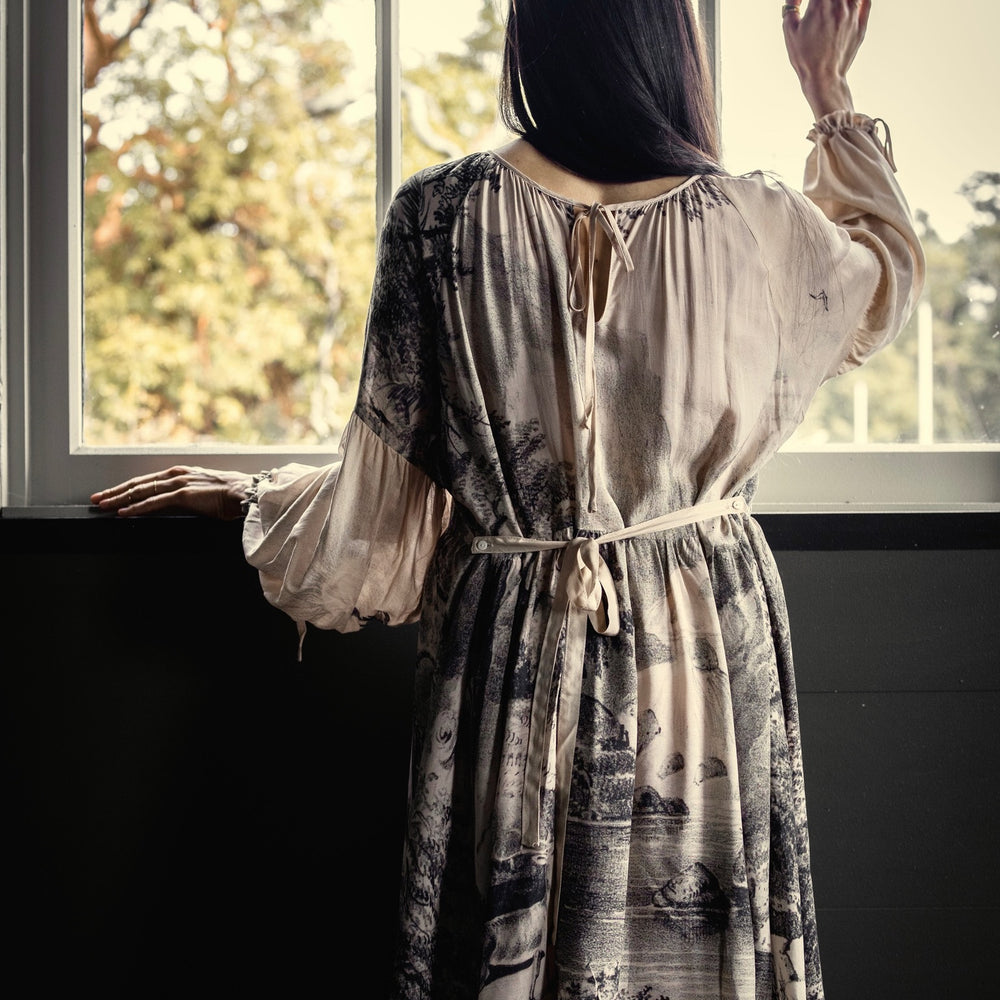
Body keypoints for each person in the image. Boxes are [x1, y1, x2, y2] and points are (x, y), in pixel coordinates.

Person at [92, 1, 923, 997]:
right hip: (701, 644)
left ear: (533, 37)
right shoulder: (760, 226)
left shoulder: (439, 216)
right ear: (672, 45)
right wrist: (828, 94)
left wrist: (253, 497)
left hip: (513, 643)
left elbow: (377, 529)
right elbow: (883, 282)